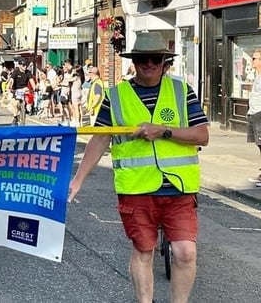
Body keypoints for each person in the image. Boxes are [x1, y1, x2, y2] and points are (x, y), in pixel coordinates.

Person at [68, 31, 209, 303]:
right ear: (133, 61)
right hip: (136, 188)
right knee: (144, 251)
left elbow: (202, 135)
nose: (149, 64)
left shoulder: (181, 91)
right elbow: (100, 138)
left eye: (155, 59)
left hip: (178, 187)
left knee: (185, 253)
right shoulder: (116, 96)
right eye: (142, 58)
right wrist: (79, 179)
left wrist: (164, 131)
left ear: (165, 62)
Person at [246, 48, 261, 186]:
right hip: (254, 112)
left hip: (259, 114)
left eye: (255, 58)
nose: (252, 60)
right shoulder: (257, 76)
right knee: (259, 144)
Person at [6, 59, 35, 125]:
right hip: (16, 90)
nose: (25, 67)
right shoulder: (16, 72)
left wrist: (34, 87)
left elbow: (31, 80)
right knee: (15, 103)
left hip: (24, 90)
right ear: (19, 65)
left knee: (27, 102)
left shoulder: (28, 72)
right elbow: (11, 80)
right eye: (23, 65)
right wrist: (9, 87)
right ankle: (15, 116)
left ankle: (25, 113)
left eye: (26, 65)